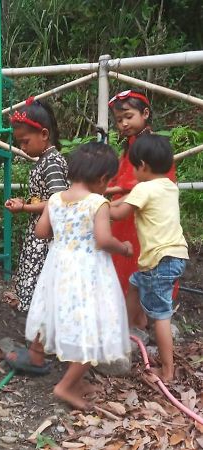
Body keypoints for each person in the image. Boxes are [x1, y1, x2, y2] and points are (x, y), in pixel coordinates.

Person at [25, 142, 132, 410]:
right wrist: (124, 248)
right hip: (88, 271)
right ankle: (66, 386)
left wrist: (63, 235)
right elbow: (104, 240)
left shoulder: (55, 199)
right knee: (91, 327)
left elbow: (40, 232)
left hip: (58, 267)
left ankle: (41, 360)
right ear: (102, 179)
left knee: (54, 313)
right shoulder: (98, 202)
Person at [110, 135, 188, 382]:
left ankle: (167, 371)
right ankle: (131, 326)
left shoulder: (144, 188)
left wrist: (96, 204)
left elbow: (119, 212)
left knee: (161, 315)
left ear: (142, 165)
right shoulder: (168, 186)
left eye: (134, 166)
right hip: (175, 256)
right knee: (135, 282)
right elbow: (130, 200)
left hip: (159, 259)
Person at [106, 89, 176, 329]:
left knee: (136, 261)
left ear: (145, 113)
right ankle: (134, 317)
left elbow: (157, 179)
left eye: (128, 116)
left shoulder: (150, 147)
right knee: (129, 261)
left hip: (140, 210)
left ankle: (138, 318)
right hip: (130, 209)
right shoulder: (133, 145)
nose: (123, 123)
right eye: (118, 120)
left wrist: (112, 192)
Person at [5, 98, 69, 312]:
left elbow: (58, 201)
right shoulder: (45, 160)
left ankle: (42, 330)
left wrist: (24, 208)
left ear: (44, 134)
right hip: (41, 232)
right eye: (19, 143)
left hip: (48, 237)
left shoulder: (51, 163)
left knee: (44, 281)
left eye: (25, 141)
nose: (22, 148)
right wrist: (26, 203)